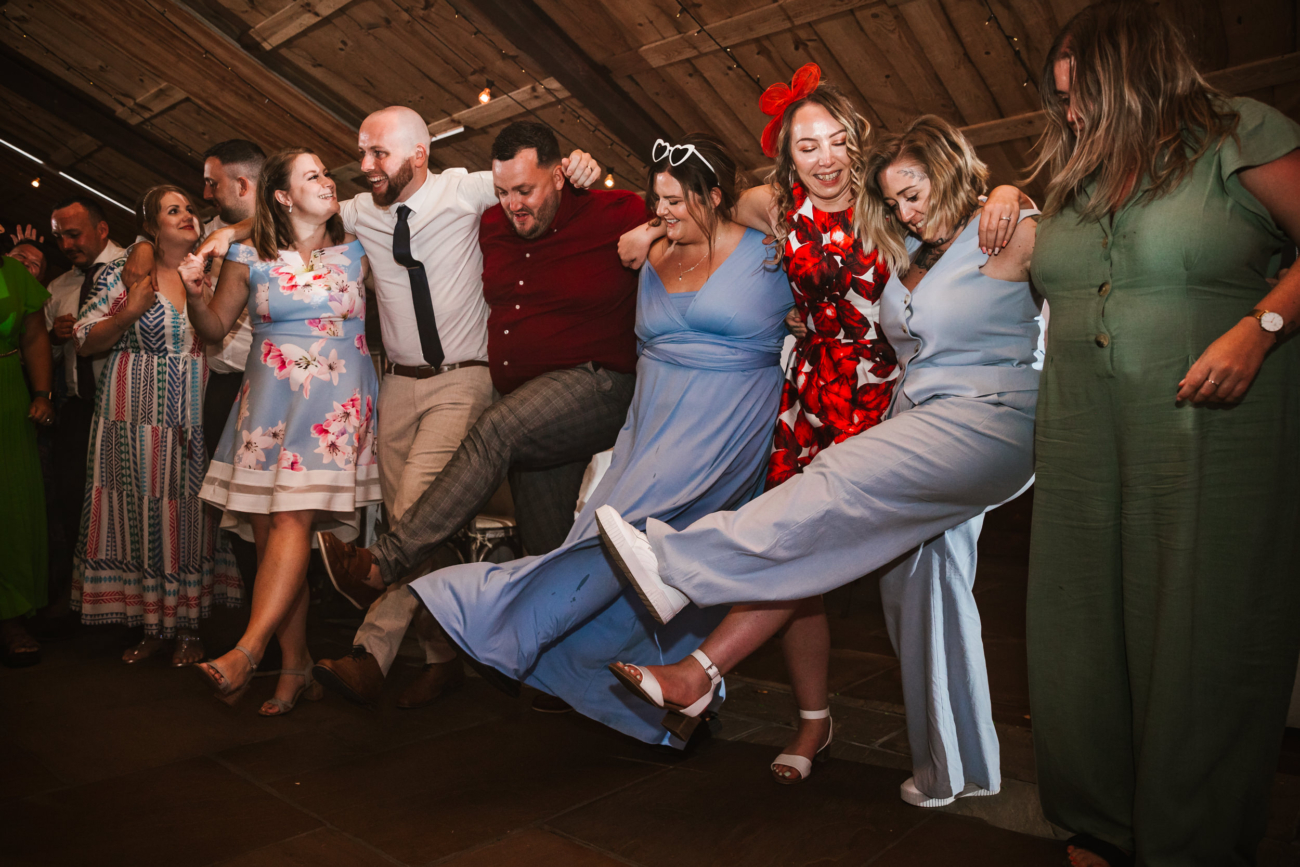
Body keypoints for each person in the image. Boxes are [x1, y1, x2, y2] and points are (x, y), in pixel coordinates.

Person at [597, 115, 1041, 804]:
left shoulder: (895, 212)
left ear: (859, 145)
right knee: (908, 585)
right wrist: (655, 227)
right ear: (788, 158)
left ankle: (684, 587)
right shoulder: (790, 207)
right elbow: (704, 203)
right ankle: (945, 765)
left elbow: (1039, 258)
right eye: (807, 146)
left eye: (837, 141)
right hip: (821, 393)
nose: (825, 157)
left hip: (889, 399)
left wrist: (1013, 191)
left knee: (817, 512)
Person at [198, 107, 601, 709]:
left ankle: (370, 654)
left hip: (463, 381)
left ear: (418, 154)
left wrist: (579, 164)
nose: (364, 167)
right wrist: (227, 233)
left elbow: (532, 179)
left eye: (377, 155)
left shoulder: (463, 189)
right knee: (411, 527)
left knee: (412, 516)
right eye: (361, 154)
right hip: (394, 388)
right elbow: (283, 220)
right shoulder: (356, 217)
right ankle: (442, 660)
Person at [1022, 4, 1300, 866]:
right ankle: (1096, 822)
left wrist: (1263, 326)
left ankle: (1196, 837)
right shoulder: (1073, 170)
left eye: (1084, 97)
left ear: (1135, 73)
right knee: (1079, 631)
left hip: (1210, 431)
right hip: (1077, 430)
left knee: (1200, 629)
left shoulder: (1240, 133)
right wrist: (1007, 194)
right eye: (1064, 100)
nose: (1071, 115)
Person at [407, 133, 794, 746]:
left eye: (675, 201)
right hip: (653, 422)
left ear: (717, 196)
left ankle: (499, 616)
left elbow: (794, 197)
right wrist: (658, 232)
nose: (660, 212)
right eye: (656, 200)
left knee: (670, 552)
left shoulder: (770, 248)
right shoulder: (647, 253)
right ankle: (635, 687)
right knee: (608, 541)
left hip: (725, 425)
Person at [310, 121, 642, 711]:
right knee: (543, 548)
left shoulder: (613, 210)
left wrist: (651, 233)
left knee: (497, 429)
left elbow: (696, 211)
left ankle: (381, 563)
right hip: (527, 400)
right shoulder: (486, 220)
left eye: (527, 190)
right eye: (505, 190)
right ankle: (556, 675)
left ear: (560, 173)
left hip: (596, 384)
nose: (514, 204)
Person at [184, 148, 377, 717]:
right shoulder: (248, 257)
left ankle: (247, 650)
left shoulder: (359, 248)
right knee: (272, 538)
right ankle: (295, 668)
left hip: (332, 409)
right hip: (267, 408)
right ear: (284, 195)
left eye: (326, 173)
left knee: (291, 521)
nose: (328, 181)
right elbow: (215, 329)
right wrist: (196, 295)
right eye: (312, 175)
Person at [71, 187, 240, 664]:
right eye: (174, 211)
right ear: (150, 227)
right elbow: (84, 340)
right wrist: (128, 312)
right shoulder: (124, 273)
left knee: (189, 513)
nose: (187, 215)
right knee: (141, 514)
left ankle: (188, 628)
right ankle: (151, 627)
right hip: (132, 412)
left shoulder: (215, 272)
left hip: (195, 404)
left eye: (189, 208)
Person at [125, 139, 269, 662]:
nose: (203, 194)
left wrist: (234, 230)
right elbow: (158, 255)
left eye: (210, 183)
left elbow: (268, 220)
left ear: (243, 183)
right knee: (236, 514)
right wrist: (143, 244)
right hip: (222, 387)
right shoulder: (211, 236)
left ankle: (269, 635)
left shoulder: (281, 226)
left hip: (271, 382)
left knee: (271, 515)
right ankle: (248, 628)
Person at [45, 199, 127, 631]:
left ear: (102, 229)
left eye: (73, 234)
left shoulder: (134, 268)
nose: (66, 243)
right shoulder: (58, 288)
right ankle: (80, 595)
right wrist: (54, 337)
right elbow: (49, 356)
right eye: (59, 236)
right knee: (75, 501)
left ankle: (130, 598)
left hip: (127, 408)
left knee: (125, 505)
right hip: (79, 408)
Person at [0, 252, 54, 666]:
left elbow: (34, 336)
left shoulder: (13, 273)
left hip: (7, 399)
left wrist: (41, 393)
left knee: (11, 511)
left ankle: (12, 619)